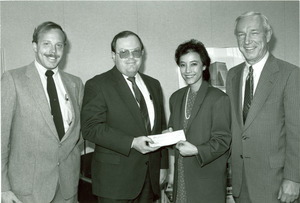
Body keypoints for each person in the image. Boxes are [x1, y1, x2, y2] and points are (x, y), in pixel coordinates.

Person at [81, 30, 168, 203]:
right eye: (124, 52)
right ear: (113, 55)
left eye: (136, 51)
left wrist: (163, 166)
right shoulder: (97, 84)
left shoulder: (154, 84)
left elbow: (161, 128)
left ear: (142, 53)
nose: (131, 57)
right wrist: (132, 142)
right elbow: (90, 128)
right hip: (114, 183)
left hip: (149, 181)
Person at [1, 21, 84, 203]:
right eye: (46, 44)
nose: (53, 51)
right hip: (27, 191)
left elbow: (78, 137)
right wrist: (2, 187)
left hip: (67, 188)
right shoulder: (13, 79)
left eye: (58, 45)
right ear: (35, 46)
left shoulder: (75, 84)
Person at [226, 11, 300, 203]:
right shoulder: (232, 75)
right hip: (241, 183)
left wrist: (293, 178)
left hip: (275, 184)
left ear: (267, 35)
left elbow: (296, 131)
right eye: (241, 34)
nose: (247, 40)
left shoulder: (290, 74)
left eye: (254, 33)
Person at [165, 39, 231, 202]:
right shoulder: (176, 97)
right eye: (182, 65)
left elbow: (223, 140)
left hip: (205, 177)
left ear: (204, 66)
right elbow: (175, 134)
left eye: (193, 64)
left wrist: (196, 150)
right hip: (181, 176)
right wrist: (168, 136)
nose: (187, 70)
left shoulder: (218, 98)